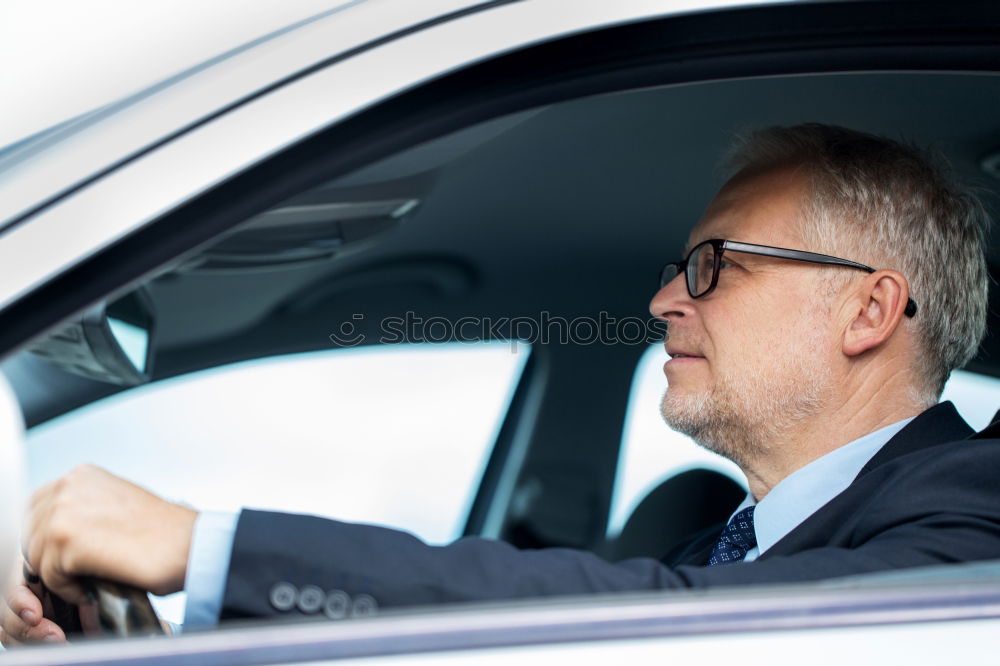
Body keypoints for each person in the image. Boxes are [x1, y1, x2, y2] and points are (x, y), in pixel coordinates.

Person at [4, 123, 1000, 644]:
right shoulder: (724, 550)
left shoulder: (972, 520)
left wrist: (202, 544)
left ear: (868, 312)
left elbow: (662, 628)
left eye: (711, 266)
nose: (662, 300)